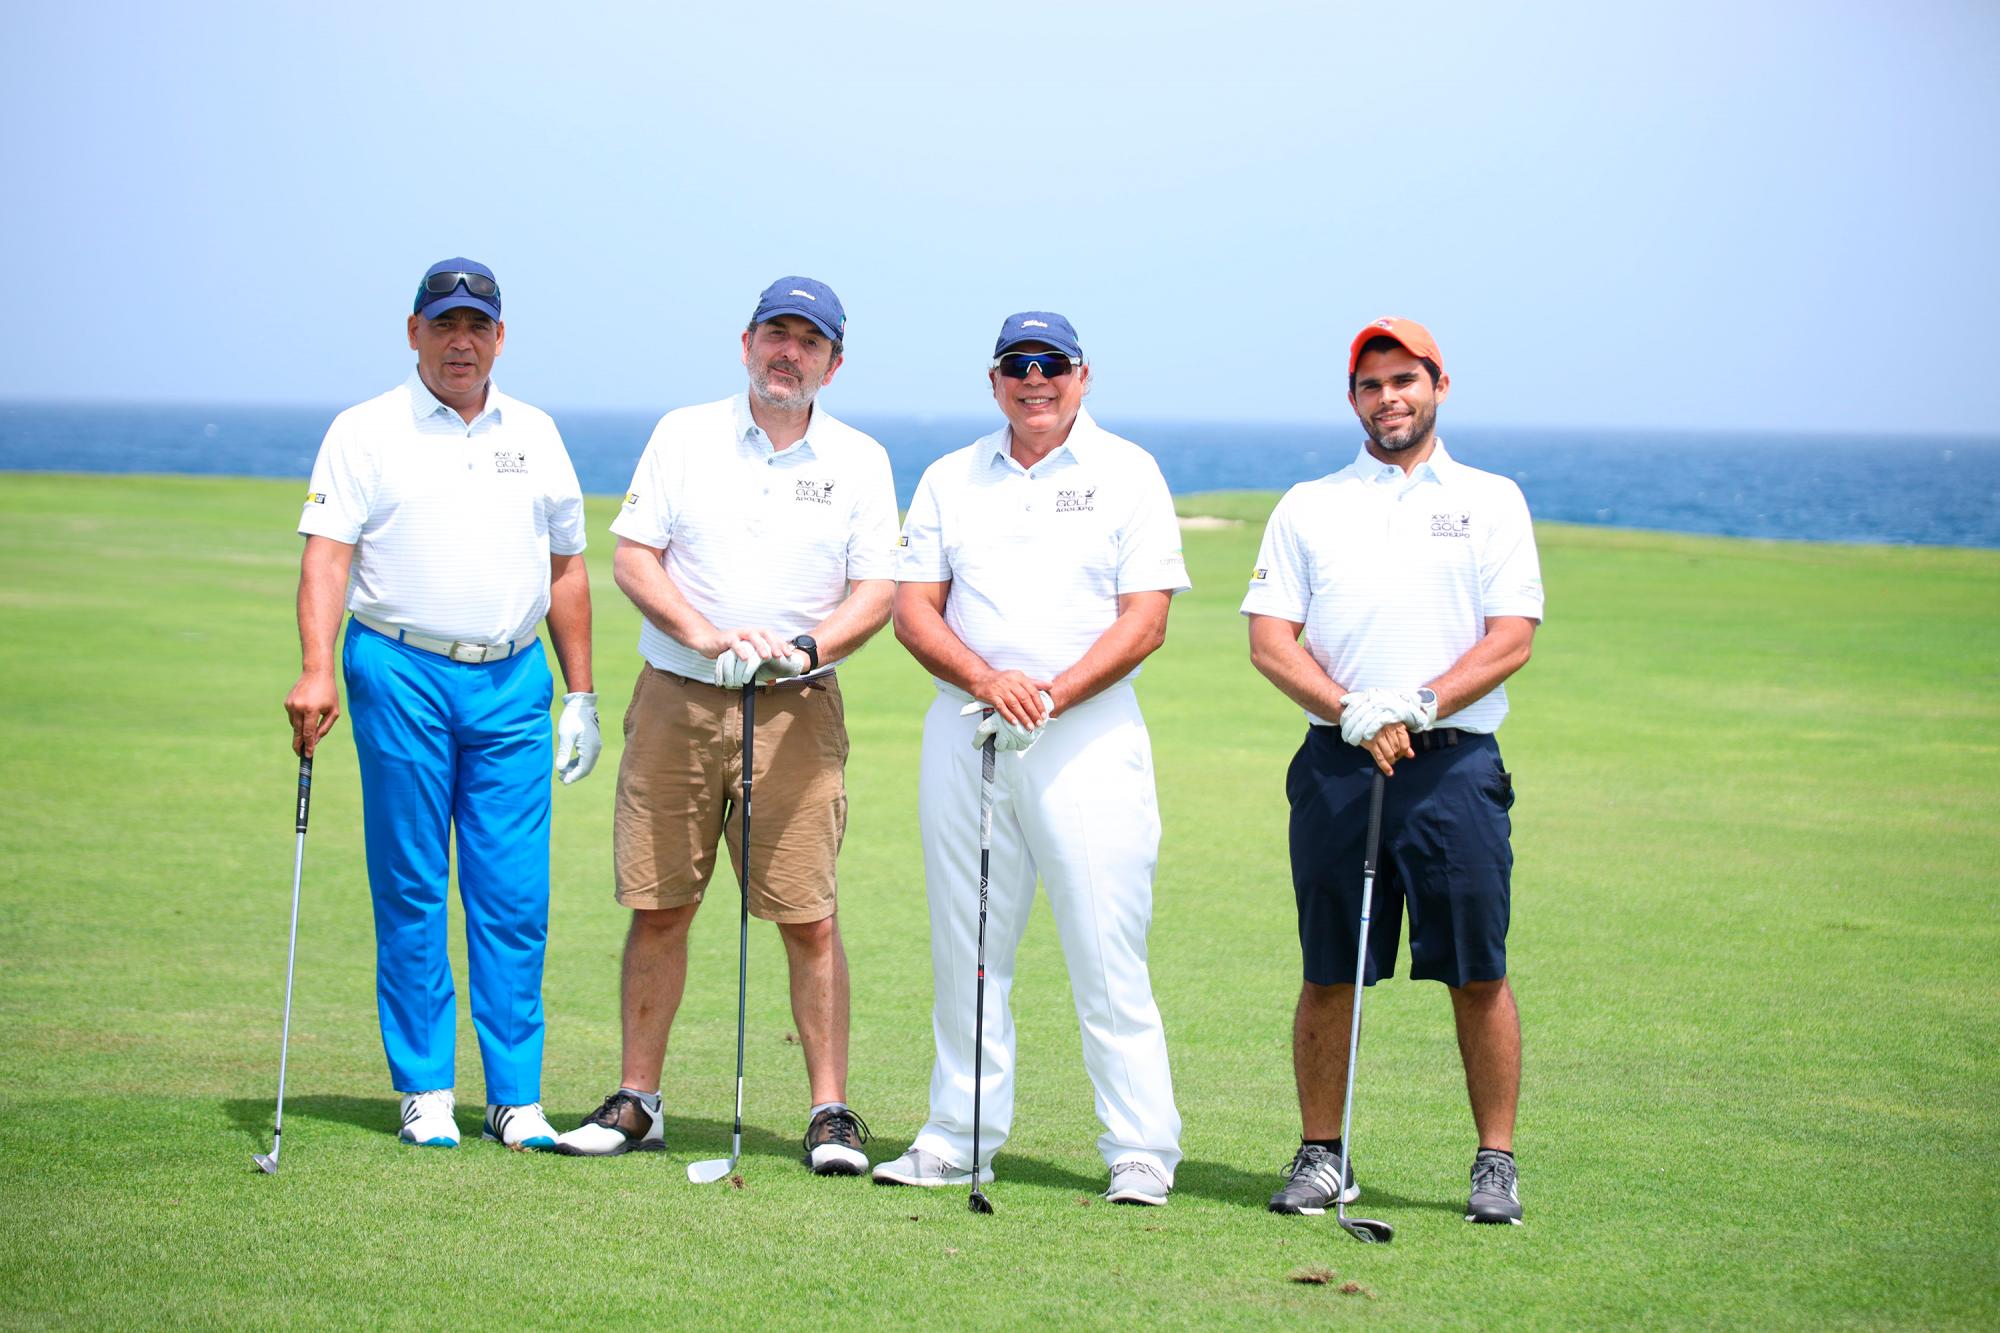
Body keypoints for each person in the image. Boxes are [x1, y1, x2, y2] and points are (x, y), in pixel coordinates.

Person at [555, 277, 898, 1174]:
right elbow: (634, 560)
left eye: (809, 342)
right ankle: (639, 1101)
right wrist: (705, 636)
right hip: (679, 695)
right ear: (745, 342)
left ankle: (829, 1112)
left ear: (834, 360)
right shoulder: (684, 434)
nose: (789, 353)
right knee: (659, 904)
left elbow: (878, 593)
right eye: (775, 335)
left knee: (808, 914)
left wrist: (804, 645)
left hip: (796, 705)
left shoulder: (859, 459)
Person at [283, 257, 601, 1152]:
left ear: (500, 336)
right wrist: (316, 667)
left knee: (512, 891)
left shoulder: (535, 432)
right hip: (399, 667)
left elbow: (567, 568)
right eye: (444, 323)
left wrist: (581, 692)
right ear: (414, 330)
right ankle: (425, 1085)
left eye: (478, 325)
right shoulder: (365, 430)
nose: (461, 341)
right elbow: (326, 558)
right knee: (413, 881)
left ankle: (516, 1095)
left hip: (510, 681)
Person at [874, 312, 1187, 1206]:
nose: (1035, 378)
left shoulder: (1128, 473)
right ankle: (958, 1136)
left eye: (1052, 364)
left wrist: (1048, 693)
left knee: (1104, 948)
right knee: (967, 950)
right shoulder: (950, 477)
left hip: (1085, 733)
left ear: (1083, 376)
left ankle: (1138, 1149)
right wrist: (989, 677)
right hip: (968, 729)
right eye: (1018, 364)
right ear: (995, 377)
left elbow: (1145, 619)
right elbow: (915, 610)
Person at [1241, 316, 1542, 1225]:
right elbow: (1268, 639)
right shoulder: (1310, 504)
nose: (1389, 398)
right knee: (1330, 968)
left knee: (1476, 969)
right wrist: (1350, 708)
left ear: (1439, 386)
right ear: (1353, 399)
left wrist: (1417, 701)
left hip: (1452, 767)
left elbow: (1512, 636)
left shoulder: (1491, 499)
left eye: (1405, 380)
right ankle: (1323, 1155)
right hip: (1337, 765)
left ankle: (1495, 1163)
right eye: (1372, 385)